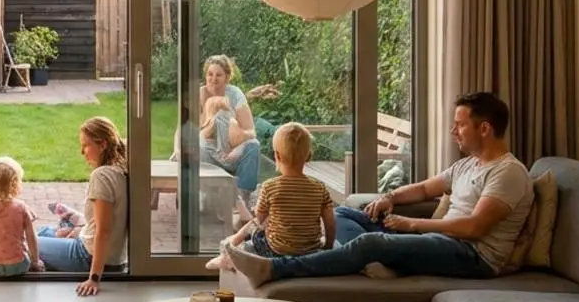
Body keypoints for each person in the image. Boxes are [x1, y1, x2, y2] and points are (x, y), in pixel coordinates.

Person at [224, 92, 534, 287]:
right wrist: (389, 198)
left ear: (484, 128)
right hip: (440, 240)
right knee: (346, 212)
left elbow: (475, 227)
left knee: (370, 243)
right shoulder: (468, 164)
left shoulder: (508, 172)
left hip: (472, 255)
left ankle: (277, 268)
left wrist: (412, 224)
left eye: (460, 125)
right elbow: (426, 189)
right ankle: (386, 259)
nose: (453, 131)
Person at [207, 122, 334, 270]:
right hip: (310, 252)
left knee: (256, 235)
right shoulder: (319, 187)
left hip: (275, 252)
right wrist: (328, 247)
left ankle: (227, 258)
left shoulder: (270, 187)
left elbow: (256, 222)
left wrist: (235, 239)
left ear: (277, 156)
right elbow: (330, 222)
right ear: (308, 156)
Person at [36, 117, 129, 296]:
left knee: (24, 242)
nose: (82, 152)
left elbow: (104, 231)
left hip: (87, 256)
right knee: (44, 231)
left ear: (102, 144)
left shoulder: (101, 176)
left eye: (85, 145)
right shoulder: (120, 170)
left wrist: (94, 278)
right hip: (110, 256)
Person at [189, 55, 262, 212]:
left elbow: (251, 132)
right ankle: (205, 196)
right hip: (206, 154)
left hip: (231, 153)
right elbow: (194, 131)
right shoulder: (199, 95)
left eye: (219, 75)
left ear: (227, 77)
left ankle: (242, 201)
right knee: (198, 142)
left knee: (253, 146)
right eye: (210, 74)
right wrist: (213, 116)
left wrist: (238, 148)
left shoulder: (235, 94)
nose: (213, 79)